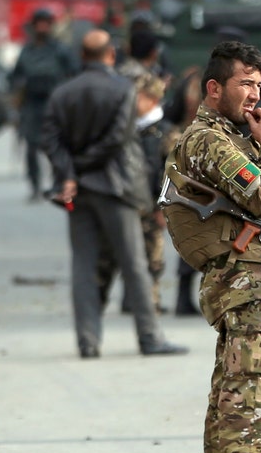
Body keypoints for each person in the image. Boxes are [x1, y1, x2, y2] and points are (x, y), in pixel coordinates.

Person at [164, 40, 261, 453]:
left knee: (232, 401)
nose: (255, 94)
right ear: (214, 88)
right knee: (252, 406)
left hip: (247, 289)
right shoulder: (208, 140)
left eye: (259, 85)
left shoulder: (230, 139)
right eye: (245, 84)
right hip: (248, 291)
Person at [41, 29, 188, 359]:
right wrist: (84, 166)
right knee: (134, 264)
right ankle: (149, 337)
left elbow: (51, 141)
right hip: (117, 187)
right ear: (110, 55)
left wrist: (70, 172)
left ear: (82, 56)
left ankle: (88, 341)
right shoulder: (123, 89)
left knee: (83, 265)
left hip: (78, 191)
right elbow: (118, 139)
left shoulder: (62, 93)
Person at [94, 72, 177, 313]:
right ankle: (96, 303)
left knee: (151, 258)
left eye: (135, 97)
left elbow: (173, 175)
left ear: (152, 99)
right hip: (122, 203)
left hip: (150, 206)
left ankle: (148, 303)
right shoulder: (124, 127)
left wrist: (165, 208)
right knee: (107, 256)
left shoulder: (166, 132)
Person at [10, 8, 80, 201]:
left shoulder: (61, 49)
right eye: (39, 23)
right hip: (31, 105)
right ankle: (34, 185)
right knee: (31, 148)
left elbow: (75, 74)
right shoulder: (27, 50)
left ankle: (59, 184)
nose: (42, 27)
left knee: (55, 147)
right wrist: (17, 92)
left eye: (46, 23)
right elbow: (15, 76)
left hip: (54, 105)